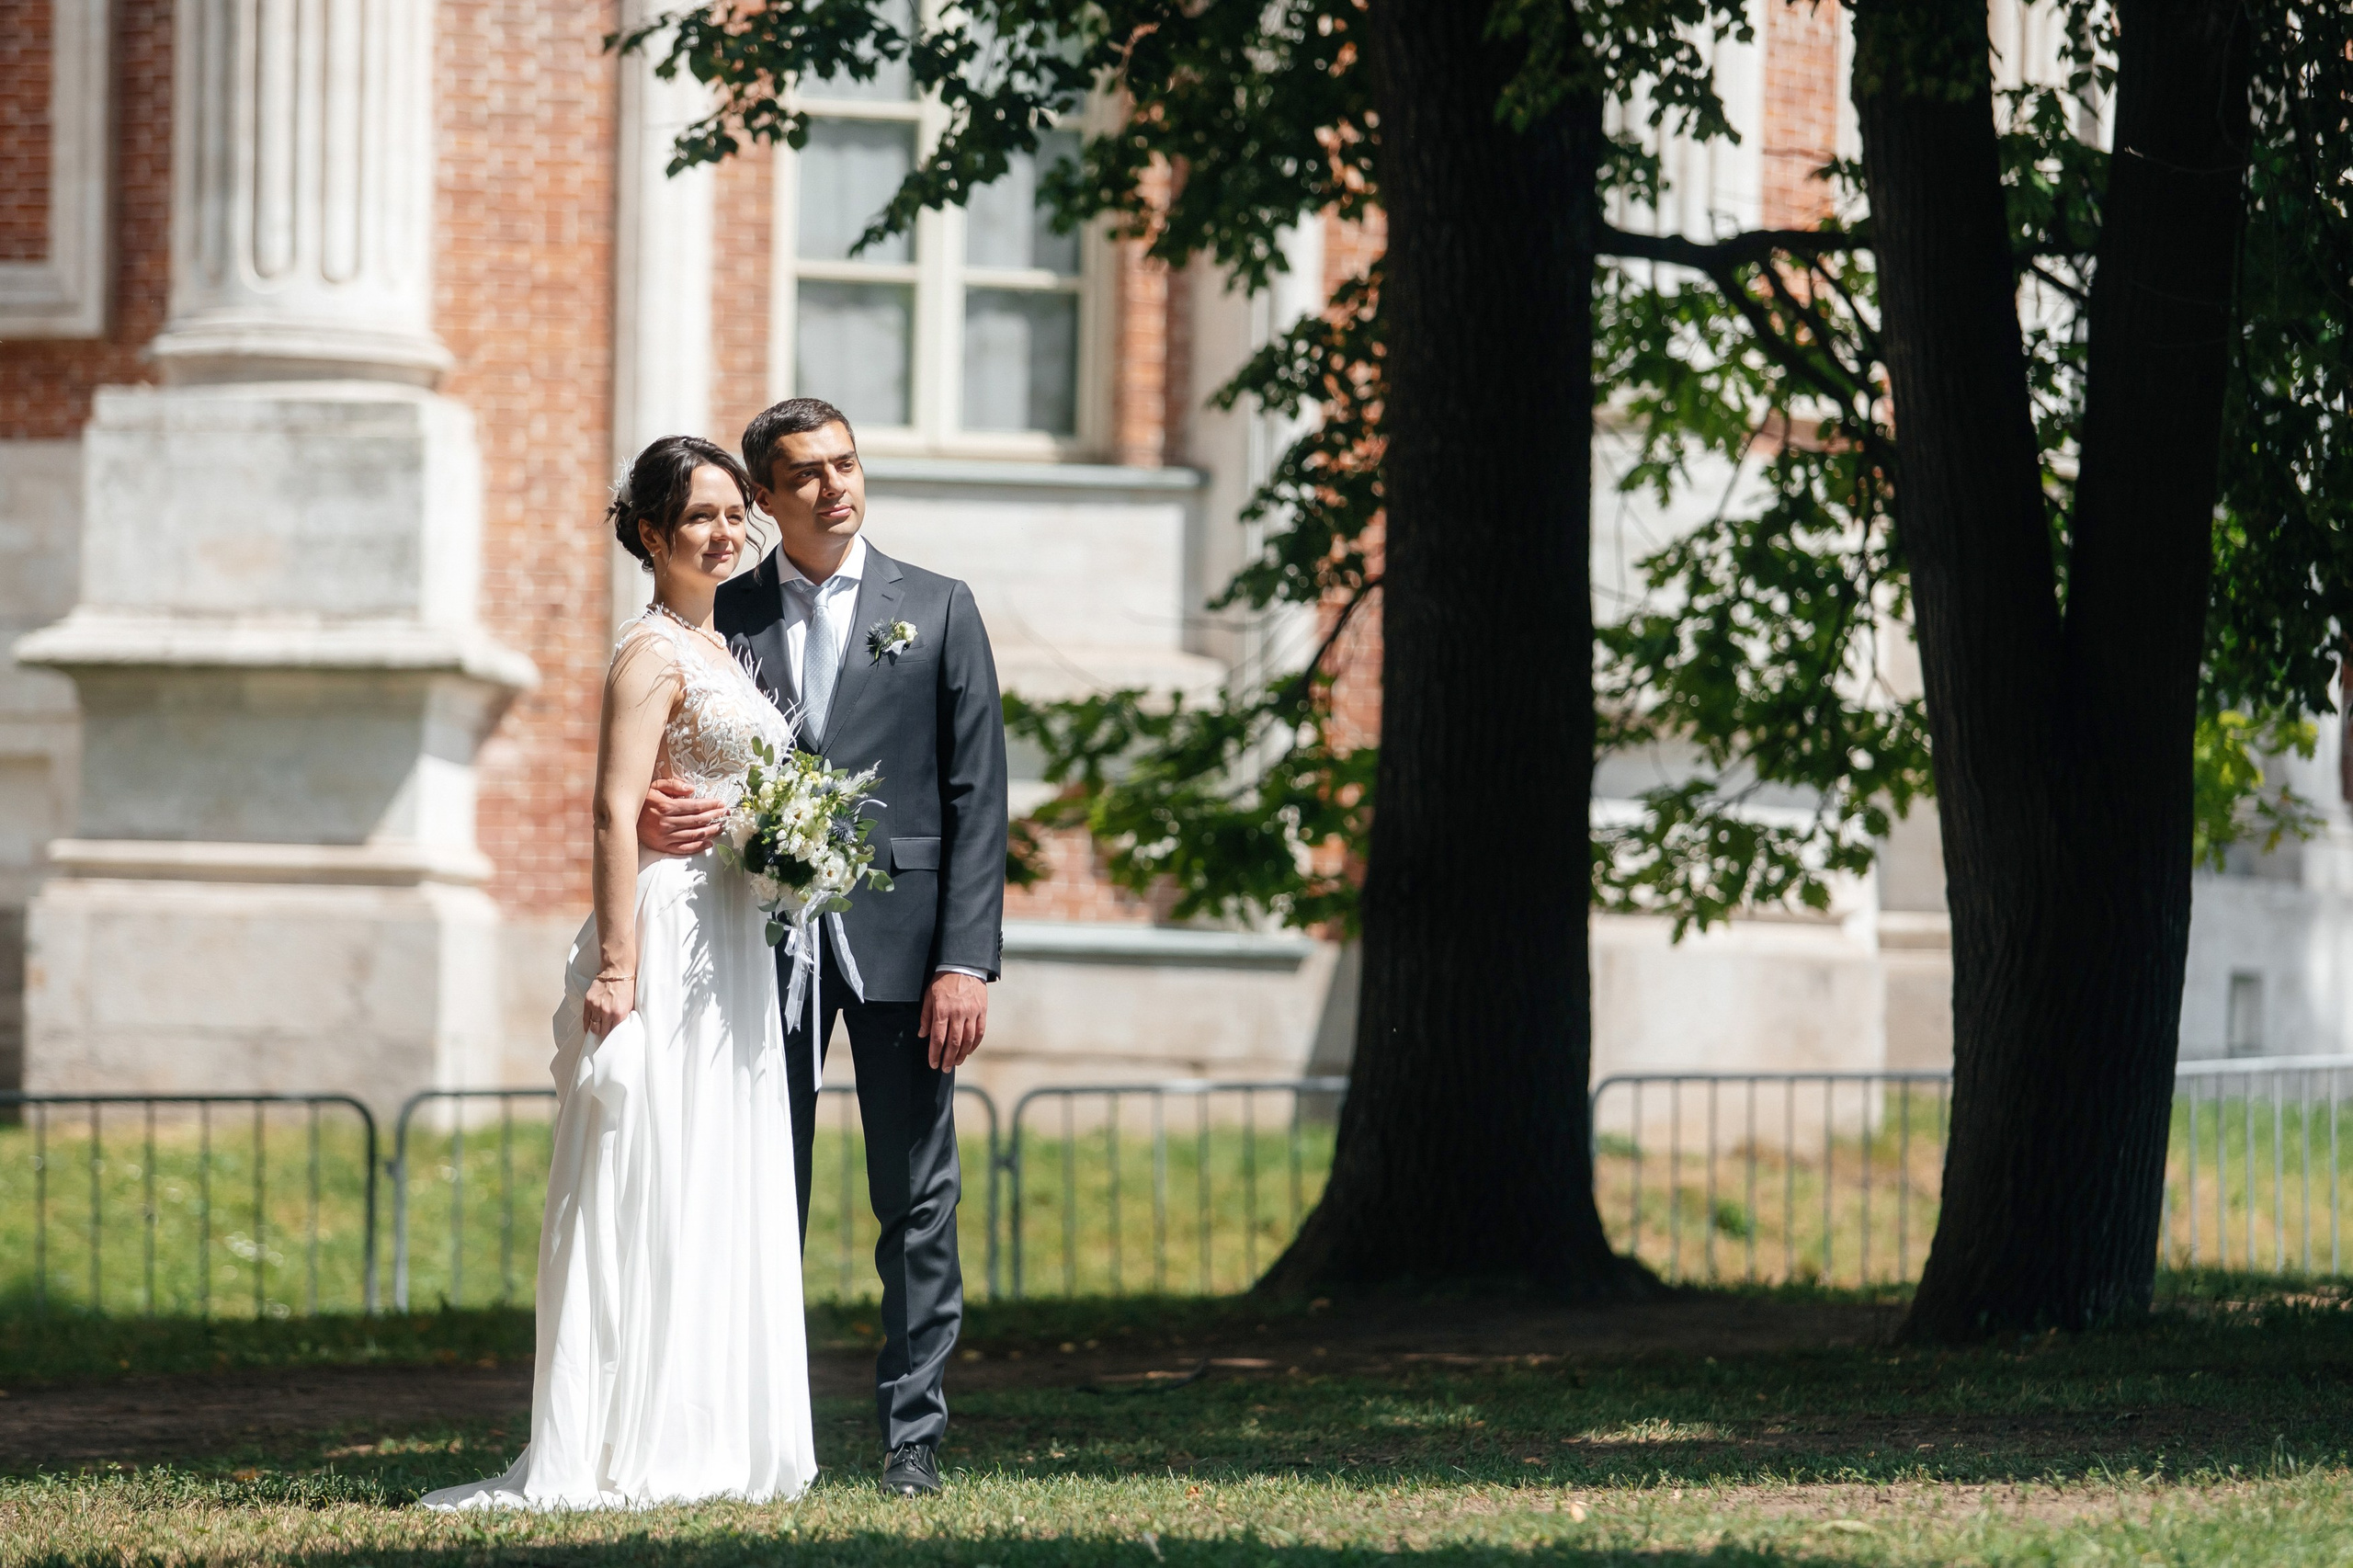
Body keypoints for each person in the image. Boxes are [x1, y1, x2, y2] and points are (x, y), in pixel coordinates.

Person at [424, 437, 819, 1510]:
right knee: (651, 1167)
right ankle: (635, 1431)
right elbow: (612, 806)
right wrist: (615, 963)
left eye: (736, 512)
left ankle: (717, 1429)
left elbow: (731, 792)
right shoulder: (650, 650)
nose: (725, 530)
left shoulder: (723, 649)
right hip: (672, 931)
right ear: (650, 532)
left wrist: (765, 827)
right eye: (699, 515)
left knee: (715, 1167)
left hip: (731, 932)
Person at [638, 397, 1007, 1499]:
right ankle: (754, 1432)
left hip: (906, 946)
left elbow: (977, 794)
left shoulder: (938, 608)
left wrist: (966, 960)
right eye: (805, 474)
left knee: (916, 1197)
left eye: (847, 464)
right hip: (755, 942)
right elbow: (663, 749)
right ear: (763, 498)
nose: (835, 487)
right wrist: (660, 814)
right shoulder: (720, 612)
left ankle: (913, 1439)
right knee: (757, 1190)